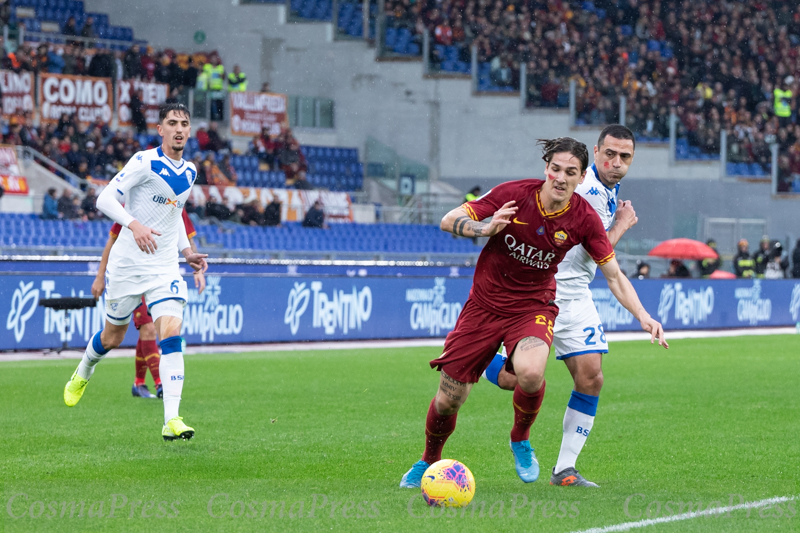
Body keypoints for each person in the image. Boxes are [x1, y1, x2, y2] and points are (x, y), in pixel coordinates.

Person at [399, 137, 667, 490]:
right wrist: (485, 227)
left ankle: (520, 439)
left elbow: (613, 273)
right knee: (450, 400)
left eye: (570, 172)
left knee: (530, 373)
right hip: (484, 306)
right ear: (546, 169)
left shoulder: (583, 217)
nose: (561, 178)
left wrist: (643, 316)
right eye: (555, 169)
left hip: (534, 306)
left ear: (579, 176)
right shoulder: (513, 195)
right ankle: (428, 459)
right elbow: (451, 219)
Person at [479, 126, 661, 487]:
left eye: (625, 157)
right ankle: (482, 357)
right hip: (540, 293)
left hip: (576, 295)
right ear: (595, 153)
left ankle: (565, 469)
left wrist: (642, 315)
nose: (616, 162)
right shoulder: (586, 190)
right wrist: (622, 225)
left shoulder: (608, 190)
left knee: (591, 376)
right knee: (513, 379)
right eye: (609, 154)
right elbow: (598, 248)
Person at [63, 103, 208, 443]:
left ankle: (171, 419)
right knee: (112, 337)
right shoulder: (144, 161)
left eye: (184, 124)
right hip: (128, 263)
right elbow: (104, 199)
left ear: (189, 131)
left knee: (171, 332)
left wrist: (186, 251)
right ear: (160, 129)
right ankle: (83, 370)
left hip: (163, 266)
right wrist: (134, 224)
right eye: (172, 122)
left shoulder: (190, 172)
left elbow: (174, 219)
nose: (178, 128)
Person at [91, 209, 206, 399]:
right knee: (143, 331)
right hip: (133, 275)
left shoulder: (177, 201)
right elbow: (112, 239)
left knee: (149, 330)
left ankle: (140, 382)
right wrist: (99, 276)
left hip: (161, 278)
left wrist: (198, 270)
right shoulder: (138, 202)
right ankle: (160, 384)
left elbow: (187, 237)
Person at [203, 54, 225, 121]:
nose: (214, 60)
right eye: (212, 58)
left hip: (218, 89)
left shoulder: (220, 67)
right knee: (212, 103)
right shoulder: (207, 67)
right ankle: (213, 116)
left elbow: (223, 77)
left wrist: (222, 76)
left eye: (215, 58)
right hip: (210, 89)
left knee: (219, 104)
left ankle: (219, 116)